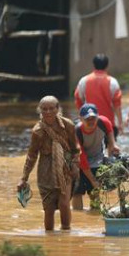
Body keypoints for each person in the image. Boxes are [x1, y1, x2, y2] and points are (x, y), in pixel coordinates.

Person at [17, 96, 80, 231]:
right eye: (44, 109)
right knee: (49, 208)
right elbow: (32, 155)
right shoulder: (37, 131)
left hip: (65, 166)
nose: (48, 112)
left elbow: (75, 148)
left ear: (57, 109)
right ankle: (49, 239)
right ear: (40, 111)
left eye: (52, 108)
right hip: (45, 170)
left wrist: (75, 164)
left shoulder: (68, 125)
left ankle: (66, 233)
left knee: (64, 204)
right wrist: (24, 178)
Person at [72, 103, 120, 210]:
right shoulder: (76, 131)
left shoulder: (104, 122)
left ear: (97, 117)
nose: (91, 121)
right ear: (81, 119)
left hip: (95, 159)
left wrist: (113, 146)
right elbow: (82, 159)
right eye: (87, 119)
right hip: (76, 161)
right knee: (77, 191)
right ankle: (78, 218)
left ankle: (94, 216)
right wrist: (93, 180)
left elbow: (111, 139)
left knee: (94, 191)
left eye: (93, 118)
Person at [75, 54, 124, 140]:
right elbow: (117, 105)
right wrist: (120, 123)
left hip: (88, 121)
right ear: (107, 66)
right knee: (111, 149)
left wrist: (81, 117)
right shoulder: (113, 82)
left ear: (93, 65)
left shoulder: (84, 80)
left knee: (89, 149)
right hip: (108, 123)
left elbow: (79, 99)